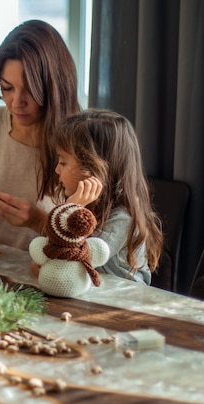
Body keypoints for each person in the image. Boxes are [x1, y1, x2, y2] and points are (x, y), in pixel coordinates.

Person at [0, 20, 81, 249]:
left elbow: (86, 242)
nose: (16, 103)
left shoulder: (80, 140)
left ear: (53, 86)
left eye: (31, 90)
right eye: (7, 88)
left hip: (43, 273)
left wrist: (39, 221)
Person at [51, 109, 163, 284]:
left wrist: (69, 210)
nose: (57, 169)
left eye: (63, 162)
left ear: (93, 170)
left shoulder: (123, 220)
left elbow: (68, 261)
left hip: (123, 304)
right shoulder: (88, 206)